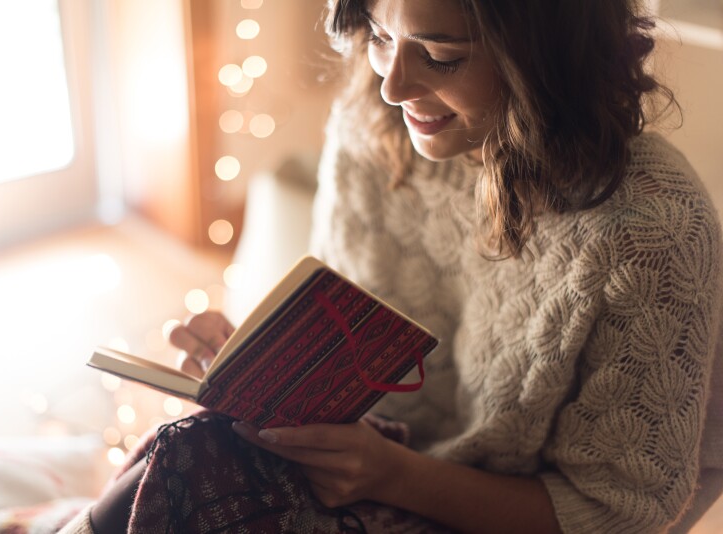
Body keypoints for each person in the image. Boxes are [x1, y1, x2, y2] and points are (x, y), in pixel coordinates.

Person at [64, 0, 723, 532]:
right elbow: (344, 326)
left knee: (192, 463)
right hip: (370, 455)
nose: (393, 82)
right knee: (198, 439)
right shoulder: (374, 120)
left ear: (545, 59)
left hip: (493, 508)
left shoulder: (648, 225)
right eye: (380, 34)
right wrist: (259, 365)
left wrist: (390, 474)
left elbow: (616, 511)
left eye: (441, 55)